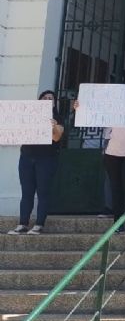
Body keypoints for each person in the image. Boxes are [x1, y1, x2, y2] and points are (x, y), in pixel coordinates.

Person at [74, 100, 125, 234]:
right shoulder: (109, 110)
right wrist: (79, 108)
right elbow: (91, 117)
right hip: (112, 155)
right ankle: (118, 223)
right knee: (116, 190)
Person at [8, 90, 64, 235]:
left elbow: (57, 137)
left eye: (50, 98)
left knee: (43, 192)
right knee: (26, 192)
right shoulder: (29, 116)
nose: (47, 100)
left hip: (46, 159)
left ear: (54, 103)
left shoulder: (57, 118)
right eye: (44, 97)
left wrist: (53, 126)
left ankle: (39, 224)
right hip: (26, 157)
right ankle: (23, 224)